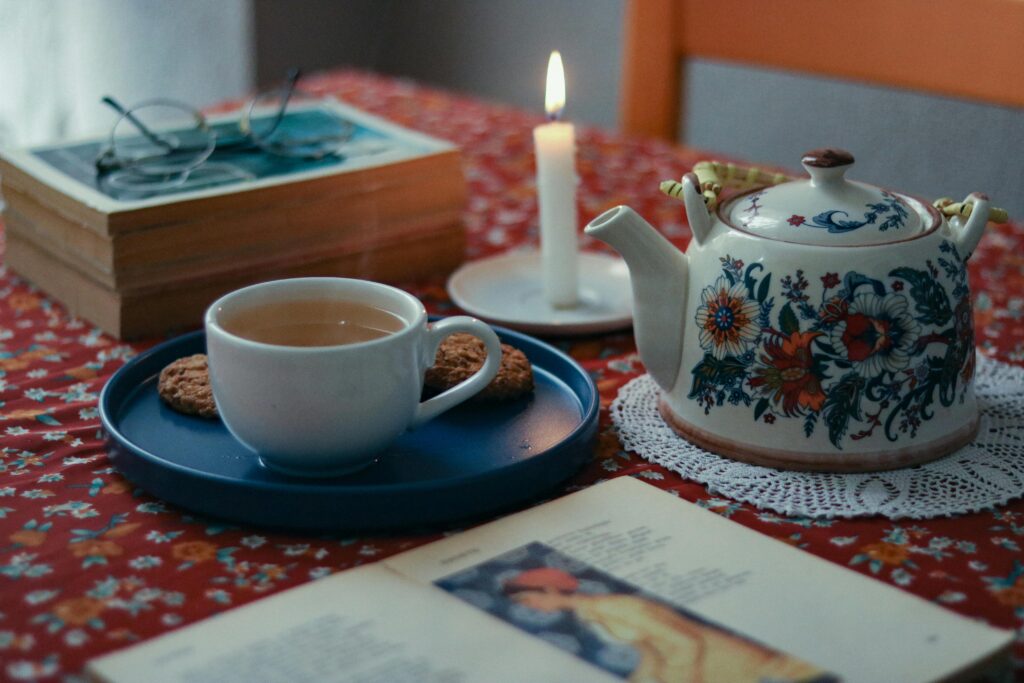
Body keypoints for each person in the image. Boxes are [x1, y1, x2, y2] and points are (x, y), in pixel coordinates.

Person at [505, 567, 830, 683]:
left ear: (549, 589)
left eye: (528, 599)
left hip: (732, 667)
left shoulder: (614, 606)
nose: (531, 607)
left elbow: (684, 644)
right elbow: (649, 650)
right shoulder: (589, 614)